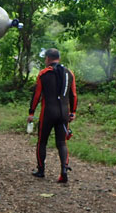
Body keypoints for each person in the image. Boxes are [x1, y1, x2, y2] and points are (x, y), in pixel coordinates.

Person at [28, 48, 78, 183]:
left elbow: (37, 95)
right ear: (59, 58)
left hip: (48, 112)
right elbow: (73, 94)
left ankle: (41, 170)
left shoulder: (43, 74)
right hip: (64, 113)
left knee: (42, 141)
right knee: (62, 142)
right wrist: (73, 112)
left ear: (48, 59)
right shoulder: (69, 73)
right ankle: (63, 171)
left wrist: (31, 112)